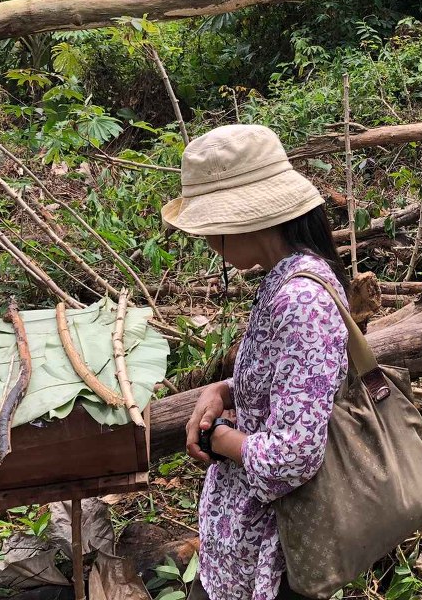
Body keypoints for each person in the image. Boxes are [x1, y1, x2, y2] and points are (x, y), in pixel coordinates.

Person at [165, 124, 350, 600]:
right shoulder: (281, 279)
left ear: (245, 221)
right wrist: (222, 390)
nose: (208, 241)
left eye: (211, 228)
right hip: (244, 541)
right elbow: (286, 381)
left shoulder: (302, 301)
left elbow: (294, 456)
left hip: (277, 550)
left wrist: (219, 438)